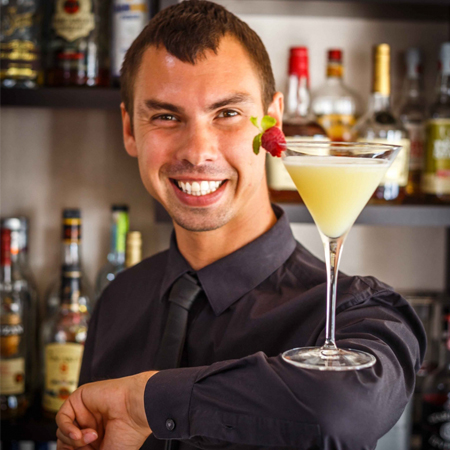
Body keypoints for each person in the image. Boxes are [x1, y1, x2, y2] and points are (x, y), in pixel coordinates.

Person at [55, 1, 426, 449]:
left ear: (274, 121)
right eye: (166, 116)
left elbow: (341, 413)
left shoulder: (355, 311)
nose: (198, 151)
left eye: (227, 113)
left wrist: (144, 402)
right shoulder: (118, 300)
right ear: (130, 130)